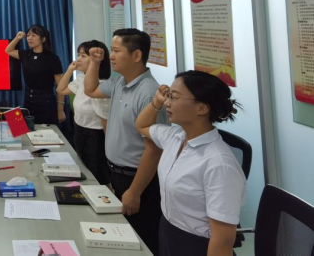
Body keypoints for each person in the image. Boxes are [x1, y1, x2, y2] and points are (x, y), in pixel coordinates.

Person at [136, 71, 246, 256]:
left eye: (174, 97)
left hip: (196, 245)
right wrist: (156, 102)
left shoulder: (219, 164)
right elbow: (142, 125)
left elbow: (222, 241)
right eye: (168, 95)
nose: (167, 103)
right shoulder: (175, 137)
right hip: (169, 232)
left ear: (202, 108)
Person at [83, 28, 167, 255]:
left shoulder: (149, 94)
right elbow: (90, 89)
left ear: (136, 55)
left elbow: (154, 150)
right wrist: (94, 62)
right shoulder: (121, 81)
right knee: (125, 238)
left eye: (117, 51)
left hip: (138, 180)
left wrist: (135, 191)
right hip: (118, 174)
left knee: (142, 241)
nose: (111, 56)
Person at [56, 40, 112, 185]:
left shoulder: (103, 86)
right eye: (78, 55)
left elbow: (106, 121)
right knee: (84, 172)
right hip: (79, 131)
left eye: (83, 55)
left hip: (96, 137)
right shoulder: (82, 79)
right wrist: (70, 70)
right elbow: (60, 90)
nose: (78, 59)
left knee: (97, 176)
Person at [5, 25, 64, 125]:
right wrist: (17, 38)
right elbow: (8, 50)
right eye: (28, 35)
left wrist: (60, 110)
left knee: (46, 130)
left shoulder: (52, 58)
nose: (29, 38)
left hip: (46, 101)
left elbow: (60, 86)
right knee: (28, 128)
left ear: (43, 39)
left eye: (34, 35)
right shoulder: (26, 54)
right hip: (28, 98)